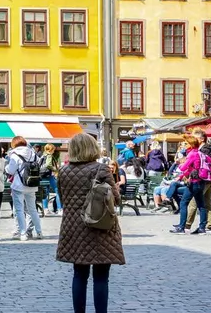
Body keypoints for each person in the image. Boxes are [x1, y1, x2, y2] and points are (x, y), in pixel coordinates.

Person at [57, 133, 125, 313]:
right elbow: (115, 200)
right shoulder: (101, 169)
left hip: (73, 228)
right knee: (101, 277)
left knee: (79, 275)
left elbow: (63, 199)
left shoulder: (64, 171)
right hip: (100, 226)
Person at [170, 136, 209, 234]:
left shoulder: (192, 154)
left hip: (194, 183)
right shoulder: (200, 153)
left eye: (186, 143)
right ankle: (202, 228)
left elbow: (183, 167)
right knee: (201, 205)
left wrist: (179, 163)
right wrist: (181, 176)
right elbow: (192, 169)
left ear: (191, 144)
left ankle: (181, 227)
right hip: (201, 181)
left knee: (183, 203)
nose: (184, 145)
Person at [6, 135, 43, 240]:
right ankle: (39, 232)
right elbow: (39, 164)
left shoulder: (14, 154)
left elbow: (11, 170)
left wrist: (6, 167)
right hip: (31, 184)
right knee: (32, 210)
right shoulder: (32, 153)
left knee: (19, 210)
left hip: (19, 185)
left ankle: (22, 233)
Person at [185, 128, 211, 232]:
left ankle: (186, 224)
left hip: (203, 179)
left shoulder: (203, 150)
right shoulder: (210, 149)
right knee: (207, 202)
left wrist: (190, 176)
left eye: (195, 137)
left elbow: (198, 167)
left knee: (194, 202)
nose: (193, 140)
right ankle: (210, 224)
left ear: (202, 139)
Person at [41, 143, 63, 215]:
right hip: (49, 176)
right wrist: (55, 169)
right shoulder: (49, 155)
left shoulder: (43, 155)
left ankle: (45, 209)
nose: (54, 150)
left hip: (43, 176)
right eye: (53, 149)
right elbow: (48, 165)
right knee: (58, 191)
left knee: (45, 193)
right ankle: (60, 209)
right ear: (51, 149)